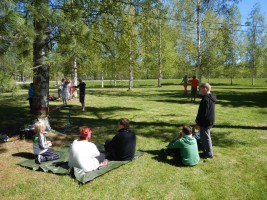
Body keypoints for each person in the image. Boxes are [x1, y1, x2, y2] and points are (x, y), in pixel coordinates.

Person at [195, 83, 216, 159]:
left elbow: (204, 113)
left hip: (206, 121)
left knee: (206, 137)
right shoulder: (211, 97)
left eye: (200, 89)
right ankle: (206, 151)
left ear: (205, 89)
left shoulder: (206, 99)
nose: (199, 91)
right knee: (204, 136)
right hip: (209, 120)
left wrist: (198, 123)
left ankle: (209, 153)